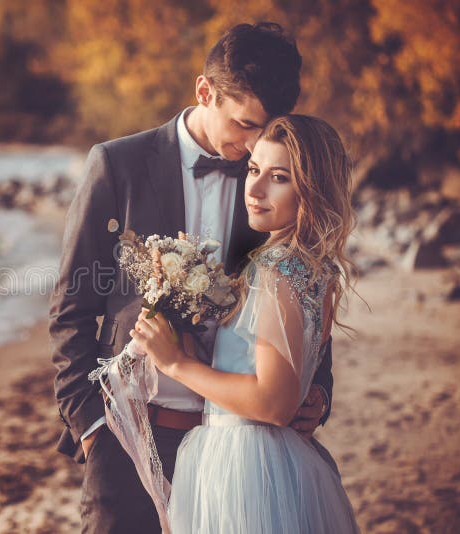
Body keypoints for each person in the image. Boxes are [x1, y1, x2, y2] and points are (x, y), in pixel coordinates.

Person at [49, 22, 335, 533]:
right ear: (205, 92)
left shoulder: (268, 188)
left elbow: (298, 304)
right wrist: (91, 426)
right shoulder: (117, 164)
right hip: (127, 434)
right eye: (244, 124)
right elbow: (73, 305)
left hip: (236, 450)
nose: (253, 148)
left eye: (265, 129)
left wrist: (318, 392)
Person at [131, 114, 359, 532]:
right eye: (254, 169)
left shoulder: (275, 269)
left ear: (311, 188)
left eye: (278, 178)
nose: (253, 190)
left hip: (247, 464)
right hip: (273, 456)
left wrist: (177, 365)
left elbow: (274, 403)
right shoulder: (310, 267)